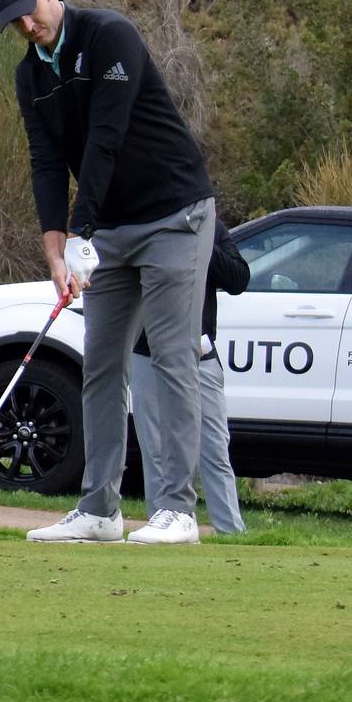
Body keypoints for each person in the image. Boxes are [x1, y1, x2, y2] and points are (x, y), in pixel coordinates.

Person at [0, 0, 218, 547]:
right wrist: (56, 255)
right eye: (14, 22)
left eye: (29, 12)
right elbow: (45, 164)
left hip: (174, 215)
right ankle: (100, 509)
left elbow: (104, 140)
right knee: (102, 363)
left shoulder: (110, 35)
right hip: (109, 229)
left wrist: (82, 232)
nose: (27, 28)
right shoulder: (29, 76)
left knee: (169, 359)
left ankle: (176, 511)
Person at [129, 221, 251, 535]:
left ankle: (231, 532)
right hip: (148, 351)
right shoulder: (142, 226)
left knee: (214, 446)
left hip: (199, 352)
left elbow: (238, 279)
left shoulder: (209, 229)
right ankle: (163, 523)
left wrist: (199, 243)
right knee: (156, 448)